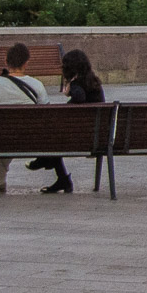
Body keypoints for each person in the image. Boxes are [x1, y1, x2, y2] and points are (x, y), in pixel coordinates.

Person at [0, 42, 48, 193]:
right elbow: (45, 112)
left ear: (6, 62)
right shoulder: (37, 85)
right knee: (12, 133)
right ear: (26, 63)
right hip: (26, 138)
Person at [25, 49, 103, 194]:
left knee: (53, 138)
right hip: (95, 137)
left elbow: (79, 98)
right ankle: (60, 177)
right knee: (55, 137)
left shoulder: (77, 84)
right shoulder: (94, 83)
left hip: (78, 139)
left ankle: (45, 160)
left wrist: (70, 89)